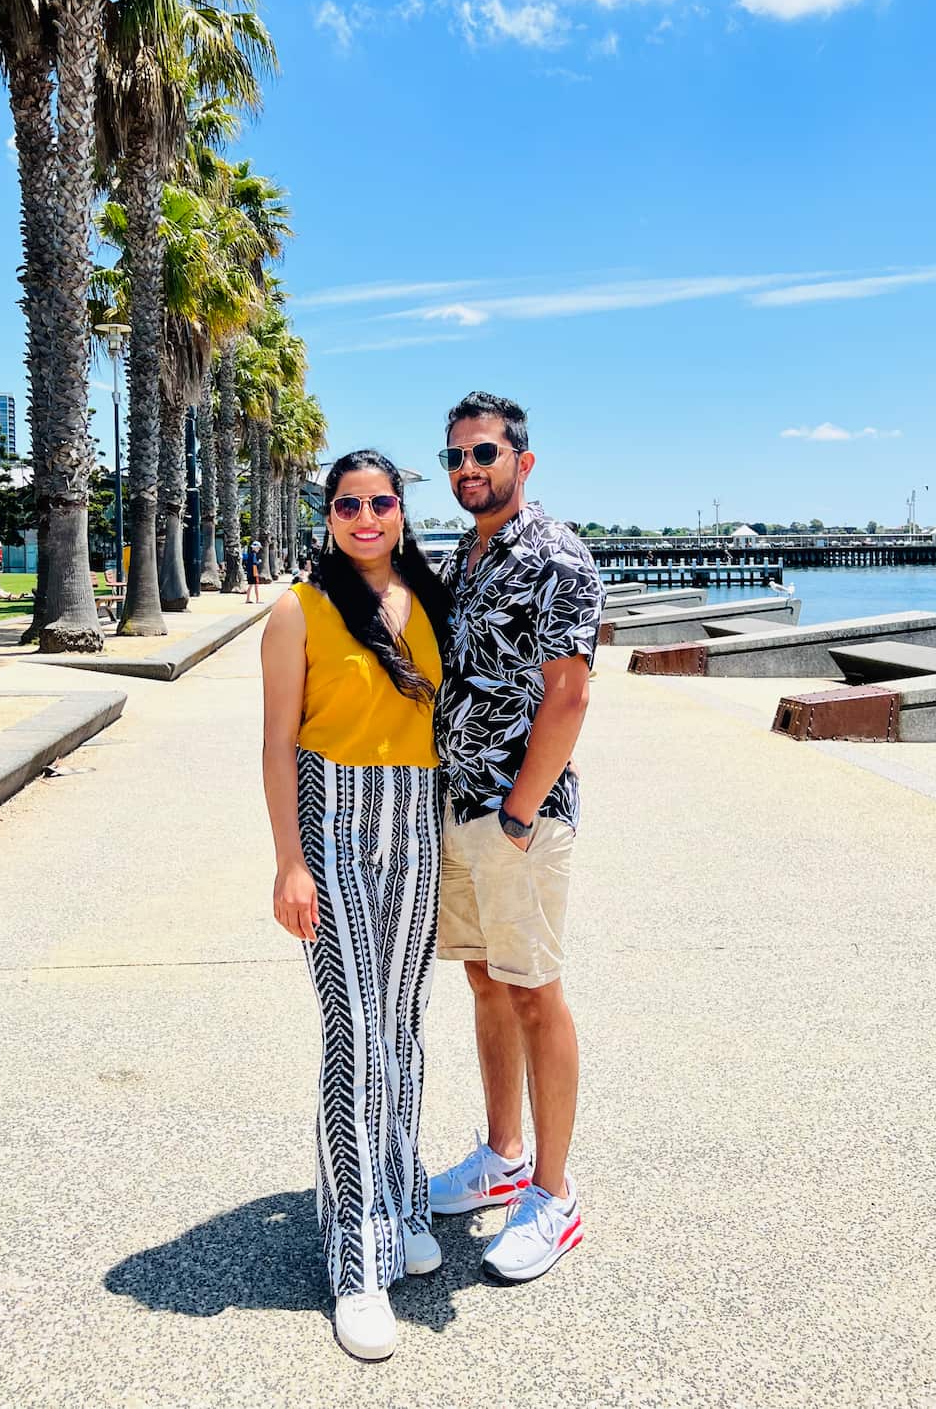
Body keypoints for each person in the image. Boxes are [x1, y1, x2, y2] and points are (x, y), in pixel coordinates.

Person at [260, 450, 451, 1363]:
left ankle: (406, 1194)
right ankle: (355, 1257)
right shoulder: (298, 609)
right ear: (327, 514)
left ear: (401, 510)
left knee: (404, 1021)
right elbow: (273, 745)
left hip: (415, 820)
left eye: (380, 502)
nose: (365, 517)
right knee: (354, 1030)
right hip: (331, 820)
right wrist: (288, 861)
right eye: (348, 504)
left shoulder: (431, 597)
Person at [429, 391, 603, 1283]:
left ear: (522, 462)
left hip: (517, 813)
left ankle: (555, 1194)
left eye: (485, 452)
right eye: (458, 454)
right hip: (462, 804)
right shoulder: (467, 553)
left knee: (536, 990)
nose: (470, 467)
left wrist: (522, 811)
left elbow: (568, 695)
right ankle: (501, 1154)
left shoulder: (556, 555)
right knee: (486, 979)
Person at [243, 539, 262, 604]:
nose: (259, 549)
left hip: (250, 572)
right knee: (256, 586)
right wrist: (258, 562)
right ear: (256, 548)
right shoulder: (254, 554)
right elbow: (254, 563)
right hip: (254, 572)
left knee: (250, 586)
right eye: (258, 548)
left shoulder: (250, 554)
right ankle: (257, 600)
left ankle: (247, 599)